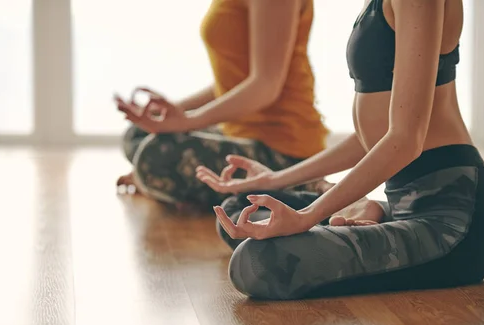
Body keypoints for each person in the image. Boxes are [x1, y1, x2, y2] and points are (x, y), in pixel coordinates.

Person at [196, 0, 484, 300]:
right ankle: (379, 213)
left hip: (454, 223)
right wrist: (274, 180)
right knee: (242, 208)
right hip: (403, 205)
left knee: (256, 263)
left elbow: (404, 140)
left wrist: (307, 216)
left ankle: (376, 214)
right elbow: (368, 137)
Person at [114, 0, 330, 209]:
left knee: (154, 157)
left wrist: (189, 120)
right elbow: (230, 83)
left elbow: (266, 86)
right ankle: (171, 183)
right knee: (137, 134)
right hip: (237, 133)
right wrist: (174, 113)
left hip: (283, 149)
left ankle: (295, 184)